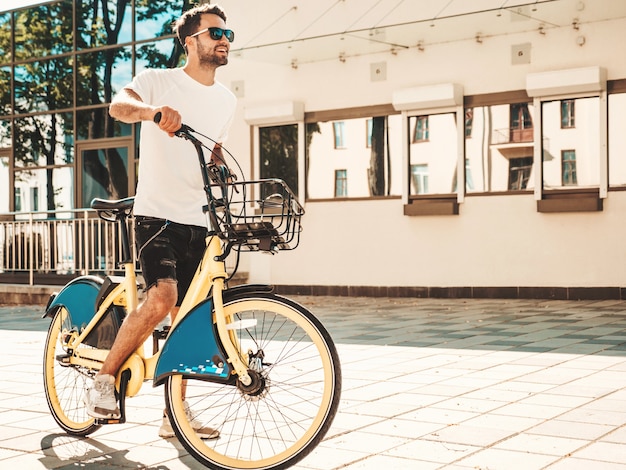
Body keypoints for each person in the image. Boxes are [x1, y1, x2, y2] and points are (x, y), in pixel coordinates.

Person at [84, 3, 237, 440]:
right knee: (161, 298)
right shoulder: (157, 81)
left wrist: (218, 169)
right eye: (215, 33)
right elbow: (118, 106)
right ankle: (104, 380)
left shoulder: (227, 99)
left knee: (187, 317)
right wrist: (154, 111)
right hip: (156, 214)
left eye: (228, 34)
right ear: (191, 41)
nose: (224, 40)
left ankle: (174, 415)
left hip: (198, 219)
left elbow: (213, 151)